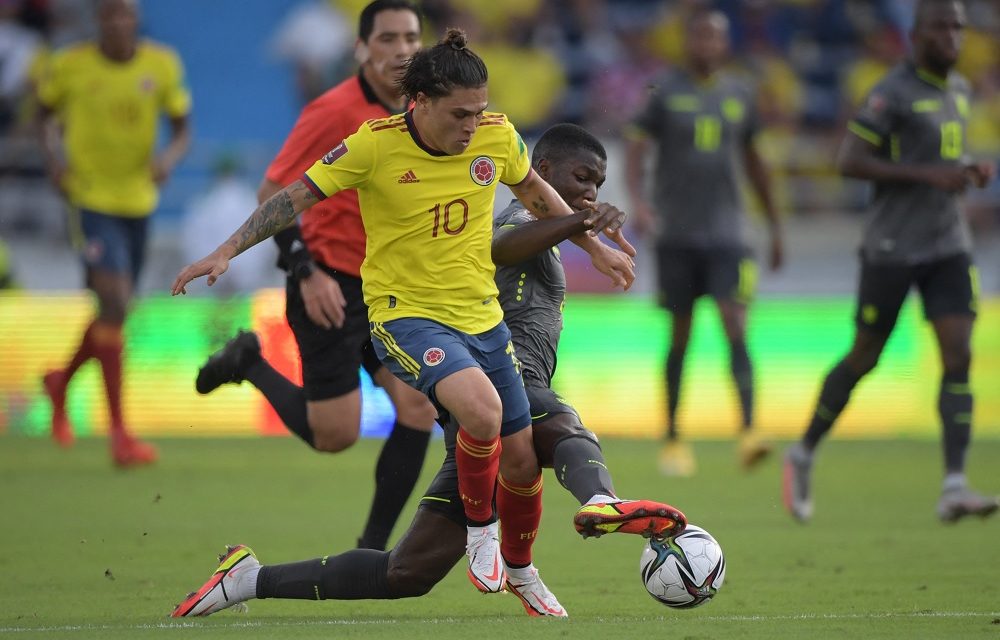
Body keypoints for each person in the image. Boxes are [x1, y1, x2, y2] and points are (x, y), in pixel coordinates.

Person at [171, 30, 637, 595]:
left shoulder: (495, 138)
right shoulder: (373, 145)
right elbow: (290, 198)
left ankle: (519, 569)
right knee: (487, 414)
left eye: (479, 111)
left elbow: (539, 196)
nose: (471, 125)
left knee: (511, 467)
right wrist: (224, 251)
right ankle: (489, 535)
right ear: (420, 103)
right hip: (405, 315)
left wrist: (599, 250)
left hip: (481, 319)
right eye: (460, 114)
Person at [193, 0, 438, 553]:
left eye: (410, 38)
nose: (401, 50)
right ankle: (249, 360)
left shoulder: (425, 110)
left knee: (419, 407)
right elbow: (272, 194)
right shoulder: (332, 111)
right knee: (336, 436)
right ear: (361, 48)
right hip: (327, 280)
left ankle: (372, 551)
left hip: (389, 288)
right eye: (388, 39)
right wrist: (304, 268)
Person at [783, 0, 998, 524]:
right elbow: (850, 161)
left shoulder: (960, 90)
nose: (953, 36)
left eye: (959, 27)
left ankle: (953, 484)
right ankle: (805, 449)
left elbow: (940, 158)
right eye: (942, 27)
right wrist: (929, 175)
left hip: (949, 243)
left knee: (958, 353)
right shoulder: (891, 92)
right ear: (917, 35)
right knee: (865, 356)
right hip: (892, 247)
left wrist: (963, 168)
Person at [623, 9, 784, 477]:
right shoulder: (664, 92)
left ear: (725, 42)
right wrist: (640, 201)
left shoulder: (741, 93)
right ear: (687, 41)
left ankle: (750, 431)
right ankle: (673, 437)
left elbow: (756, 164)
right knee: (681, 333)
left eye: (716, 36)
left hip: (730, 233)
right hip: (676, 232)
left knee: (735, 322)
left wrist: (774, 227)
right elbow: (636, 150)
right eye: (700, 36)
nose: (707, 44)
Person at [38, 0, 191, 466]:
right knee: (117, 300)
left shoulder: (162, 64)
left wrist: (167, 159)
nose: (118, 21)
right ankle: (120, 435)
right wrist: (55, 162)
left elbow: (182, 128)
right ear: (98, 20)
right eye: (109, 14)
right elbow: (45, 118)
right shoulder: (69, 65)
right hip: (89, 199)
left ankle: (61, 381)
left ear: (136, 19)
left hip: (138, 201)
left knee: (115, 310)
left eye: (125, 13)